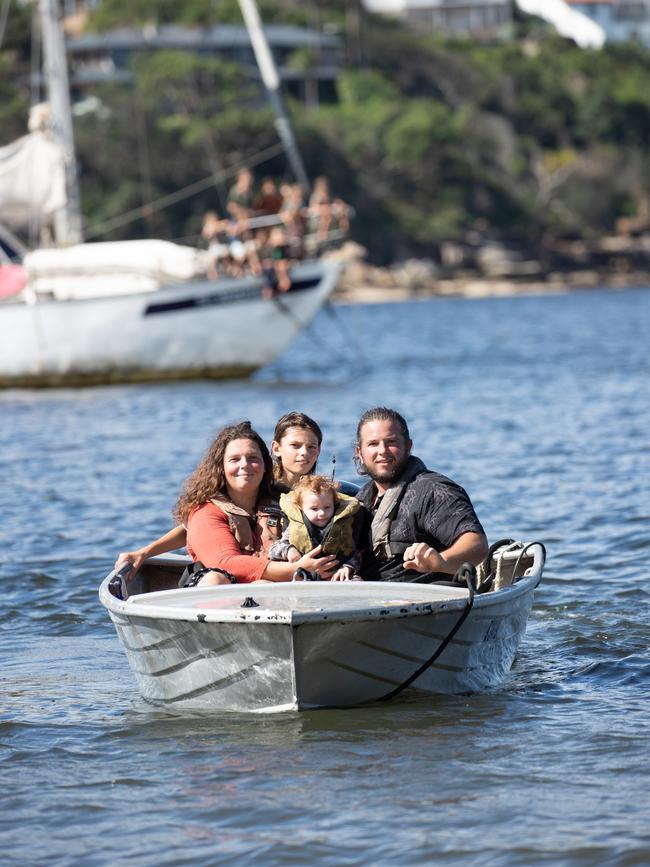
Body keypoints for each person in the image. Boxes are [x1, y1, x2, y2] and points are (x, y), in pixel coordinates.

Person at [115, 411, 324, 575]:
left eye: (311, 447)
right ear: (276, 449)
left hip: (289, 571)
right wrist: (146, 551)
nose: (303, 453)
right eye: (295, 446)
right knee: (215, 576)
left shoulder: (320, 493)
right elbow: (197, 527)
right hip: (245, 573)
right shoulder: (254, 487)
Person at [174, 421, 337, 586]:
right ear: (221, 468)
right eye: (234, 459)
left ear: (266, 465)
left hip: (272, 590)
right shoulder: (205, 512)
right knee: (216, 578)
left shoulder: (286, 502)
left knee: (263, 585)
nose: (244, 465)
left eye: (253, 458)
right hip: (216, 595)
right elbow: (226, 562)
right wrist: (296, 569)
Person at [354, 407, 488, 583]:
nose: (382, 450)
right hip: (366, 600)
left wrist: (441, 562)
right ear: (360, 453)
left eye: (391, 442)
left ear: (408, 447)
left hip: (429, 600)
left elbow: (477, 544)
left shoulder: (433, 491)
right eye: (373, 444)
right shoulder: (358, 502)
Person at [269, 474, 367, 582]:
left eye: (327, 507)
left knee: (357, 581)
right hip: (303, 577)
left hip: (335, 576)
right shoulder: (294, 528)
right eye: (314, 509)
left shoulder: (343, 527)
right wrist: (289, 550)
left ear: (334, 505)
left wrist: (347, 567)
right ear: (301, 508)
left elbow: (355, 554)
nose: (322, 513)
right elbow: (273, 549)